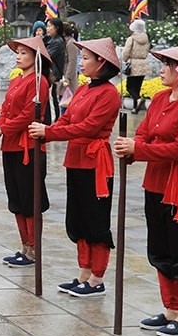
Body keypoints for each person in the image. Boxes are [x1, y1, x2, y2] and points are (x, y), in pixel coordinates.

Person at [113, 42, 178, 336]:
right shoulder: (160, 98)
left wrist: (139, 149)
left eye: (167, 65)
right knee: (161, 249)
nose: (162, 70)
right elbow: (143, 132)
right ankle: (169, 308)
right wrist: (134, 146)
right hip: (155, 183)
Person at [29, 37, 121, 297]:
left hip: (96, 164)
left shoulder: (109, 94)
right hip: (76, 160)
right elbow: (67, 118)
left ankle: (97, 278)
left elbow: (89, 127)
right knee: (78, 219)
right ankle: (83, 272)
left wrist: (50, 132)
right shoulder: (84, 90)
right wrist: (47, 131)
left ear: (101, 63)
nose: (81, 63)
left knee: (95, 221)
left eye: (86, 58)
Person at [0, 36, 53, 267]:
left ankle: (34, 249)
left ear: (35, 57)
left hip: (28, 147)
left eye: (23, 53)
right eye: (17, 52)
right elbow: (7, 110)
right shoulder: (17, 80)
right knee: (17, 200)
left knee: (30, 200)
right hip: (11, 145)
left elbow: (28, 115)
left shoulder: (40, 82)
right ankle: (24, 246)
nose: (18, 56)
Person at [123, 19, 152, 113]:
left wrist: (124, 59)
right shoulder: (147, 39)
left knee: (129, 87)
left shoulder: (131, 38)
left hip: (133, 64)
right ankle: (135, 108)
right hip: (143, 63)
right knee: (137, 87)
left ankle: (139, 100)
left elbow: (126, 52)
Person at [45, 18, 67, 120]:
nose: (47, 28)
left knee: (52, 100)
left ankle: (55, 121)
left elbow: (46, 56)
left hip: (53, 75)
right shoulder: (51, 40)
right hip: (52, 74)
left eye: (50, 26)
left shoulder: (57, 42)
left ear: (56, 28)